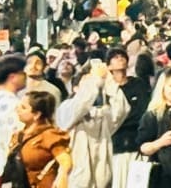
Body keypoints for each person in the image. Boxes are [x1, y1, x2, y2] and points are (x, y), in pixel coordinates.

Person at [55, 59, 130, 188]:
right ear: (75, 87)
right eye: (87, 82)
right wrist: (94, 78)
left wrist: (109, 80)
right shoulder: (66, 108)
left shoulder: (103, 113)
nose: (95, 85)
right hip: (75, 178)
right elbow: (82, 103)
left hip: (101, 179)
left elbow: (122, 110)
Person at [108, 47, 152, 188]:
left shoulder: (138, 84)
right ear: (108, 65)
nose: (120, 58)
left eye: (122, 56)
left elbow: (143, 112)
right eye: (115, 57)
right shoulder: (106, 89)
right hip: (115, 145)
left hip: (136, 143)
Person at [9, 91, 72, 188]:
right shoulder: (18, 136)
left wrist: (62, 177)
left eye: (23, 107)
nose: (17, 110)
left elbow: (65, 161)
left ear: (37, 114)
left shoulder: (50, 135)